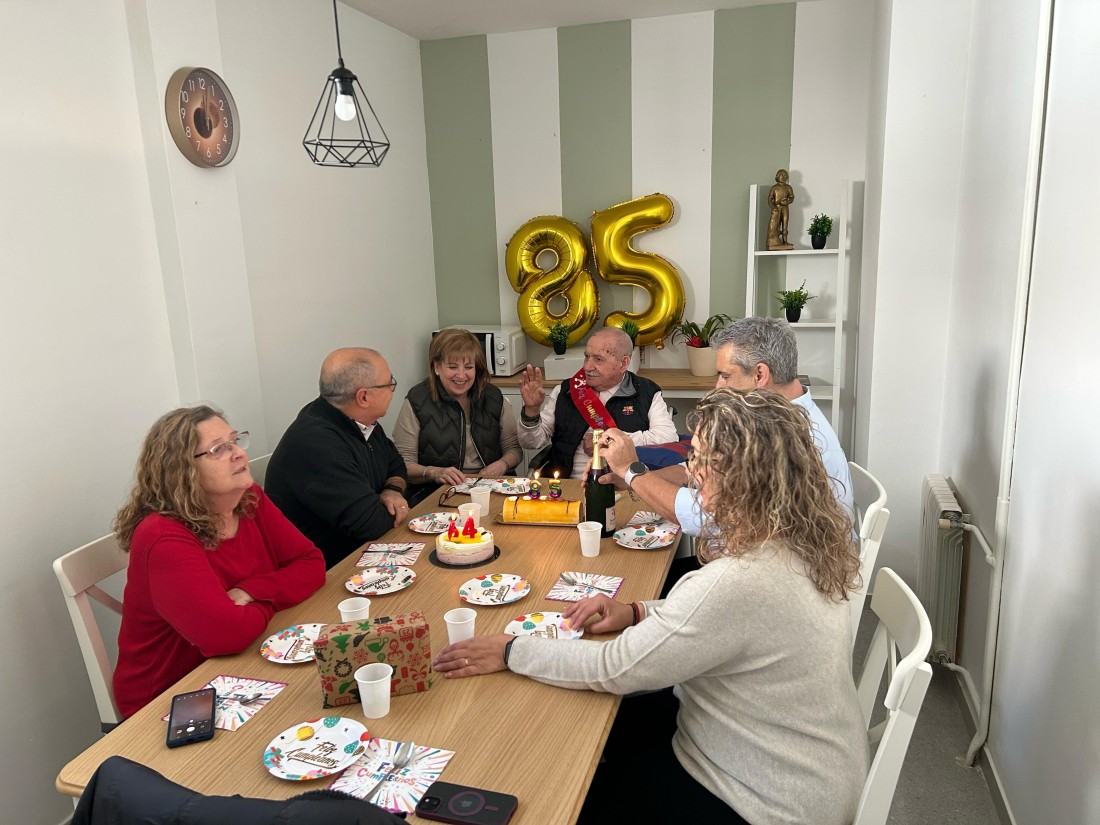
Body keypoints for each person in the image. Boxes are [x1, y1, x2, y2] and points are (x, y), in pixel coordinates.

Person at [434, 389, 868, 824]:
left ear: (739, 477)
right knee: (604, 731)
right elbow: (717, 620)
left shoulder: (738, 580)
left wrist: (510, 650)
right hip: (796, 765)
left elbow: (615, 668)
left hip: (762, 800)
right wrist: (637, 612)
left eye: (699, 459)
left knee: (563, 787)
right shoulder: (797, 544)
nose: (691, 473)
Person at [112, 406, 325, 719]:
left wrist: (252, 592)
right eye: (218, 449)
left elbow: (311, 563)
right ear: (182, 471)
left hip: (243, 666)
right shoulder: (163, 536)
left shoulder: (248, 498)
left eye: (235, 441)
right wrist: (270, 599)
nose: (238, 453)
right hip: (171, 699)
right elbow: (227, 636)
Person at [593, 316, 854, 535]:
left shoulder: (787, 436)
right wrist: (632, 479)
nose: (718, 386)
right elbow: (701, 472)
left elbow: (705, 515)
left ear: (760, 374)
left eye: (725, 375)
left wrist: (632, 471)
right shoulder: (776, 416)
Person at [265, 348, 409, 568]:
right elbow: (370, 524)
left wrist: (392, 490)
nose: (392, 389)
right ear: (363, 397)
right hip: (328, 570)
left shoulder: (360, 420)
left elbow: (396, 465)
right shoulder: (315, 442)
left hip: (364, 552)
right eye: (390, 383)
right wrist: (391, 505)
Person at [516, 326, 677, 479]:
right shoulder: (566, 391)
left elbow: (667, 437)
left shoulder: (646, 392)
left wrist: (607, 440)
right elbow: (531, 442)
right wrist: (532, 410)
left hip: (624, 483)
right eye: (586, 356)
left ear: (623, 363)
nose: (587, 366)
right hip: (568, 482)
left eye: (598, 359)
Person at [392, 329, 521, 503]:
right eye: (452, 367)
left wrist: (502, 465)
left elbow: (514, 449)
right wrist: (434, 472)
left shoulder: (493, 396)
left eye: (468, 367)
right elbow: (403, 464)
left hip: (491, 488)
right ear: (436, 367)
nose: (461, 375)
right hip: (437, 493)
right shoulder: (417, 400)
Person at [767, 167, 795, 250]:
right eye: (781, 175)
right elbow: (770, 199)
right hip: (777, 208)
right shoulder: (774, 188)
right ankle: (776, 240)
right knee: (776, 224)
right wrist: (773, 207)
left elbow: (792, 197)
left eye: (784, 175)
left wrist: (787, 202)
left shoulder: (788, 187)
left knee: (785, 223)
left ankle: (785, 241)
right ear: (777, 176)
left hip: (785, 208)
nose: (782, 177)